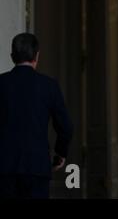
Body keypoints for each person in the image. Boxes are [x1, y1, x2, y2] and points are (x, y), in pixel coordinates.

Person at [0, 33, 73, 198]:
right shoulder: (49, 86)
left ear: (12, 56)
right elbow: (66, 127)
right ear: (37, 55)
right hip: (37, 166)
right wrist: (60, 153)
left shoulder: (1, 84)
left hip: (4, 168)